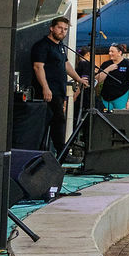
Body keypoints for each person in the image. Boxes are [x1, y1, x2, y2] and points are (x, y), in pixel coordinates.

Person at [25, 17, 84, 154]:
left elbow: (66, 64)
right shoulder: (42, 45)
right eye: (60, 28)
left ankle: (57, 152)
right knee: (58, 121)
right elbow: (38, 67)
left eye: (65, 29)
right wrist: (45, 87)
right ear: (52, 28)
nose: (63, 31)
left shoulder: (61, 46)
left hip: (59, 90)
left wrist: (78, 79)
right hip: (47, 91)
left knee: (57, 121)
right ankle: (61, 152)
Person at [94, 43, 129, 111]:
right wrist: (108, 69)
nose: (110, 53)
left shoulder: (128, 65)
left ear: (119, 52)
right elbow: (97, 80)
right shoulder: (106, 64)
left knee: (120, 116)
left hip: (121, 97)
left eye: (112, 52)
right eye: (109, 51)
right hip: (106, 97)